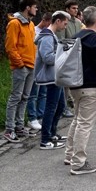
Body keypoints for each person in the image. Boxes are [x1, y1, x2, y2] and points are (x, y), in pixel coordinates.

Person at [64, 6, 96, 175]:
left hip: (74, 86)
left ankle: (69, 155)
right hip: (90, 87)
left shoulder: (75, 37)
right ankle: (78, 163)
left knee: (77, 120)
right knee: (84, 124)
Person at [3, 0, 38, 143]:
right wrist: (20, 63)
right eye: (34, 7)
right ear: (27, 7)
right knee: (16, 97)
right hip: (21, 66)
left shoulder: (30, 24)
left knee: (24, 97)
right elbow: (10, 46)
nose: (36, 9)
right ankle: (9, 129)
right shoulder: (15, 24)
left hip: (31, 65)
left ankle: (19, 126)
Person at [34, 11, 71, 149]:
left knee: (60, 106)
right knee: (51, 107)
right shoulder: (47, 37)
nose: (65, 27)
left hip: (55, 76)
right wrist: (63, 54)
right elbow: (47, 58)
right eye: (65, 24)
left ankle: (51, 133)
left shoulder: (51, 36)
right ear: (58, 21)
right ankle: (45, 140)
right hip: (50, 77)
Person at [56, 0, 82, 118]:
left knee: (74, 81)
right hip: (66, 53)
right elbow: (61, 39)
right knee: (65, 83)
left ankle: (74, 105)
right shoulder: (64, 21)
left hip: (76, 53)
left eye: (77, 8)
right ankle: (63, 108)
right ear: (67, 9)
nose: (76, 10)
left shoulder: (78, 22)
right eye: (73, 8)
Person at [26, 12, 52, 130]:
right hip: (35, 65)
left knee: (43, 93)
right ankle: (32, 117)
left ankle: (40, 115)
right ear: (45, 21)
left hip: (44, 67)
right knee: (33, 94)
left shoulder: (48, 32)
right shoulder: (34, 30)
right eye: (49, 23)